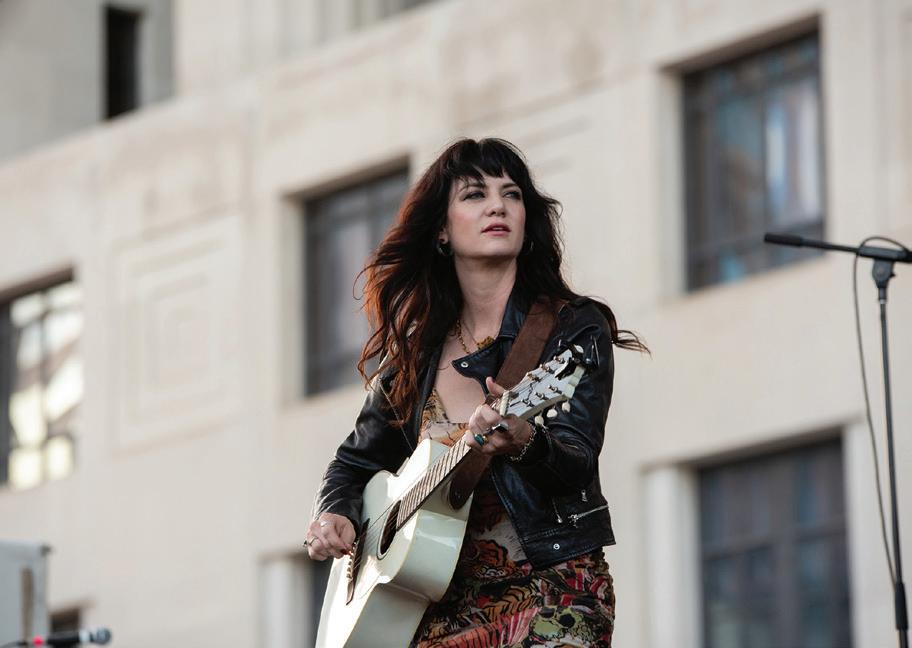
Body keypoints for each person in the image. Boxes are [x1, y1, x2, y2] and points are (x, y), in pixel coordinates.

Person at [306, 137, 646, 647]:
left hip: (551, 587)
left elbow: (576, 459)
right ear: (442, 230)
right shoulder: (415, 358)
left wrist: (526, 442)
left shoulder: (571, 328)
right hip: (435, 606)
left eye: (511, 194)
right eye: (474, 194)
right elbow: (354, 463)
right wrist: (334, 513)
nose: (497, 206)